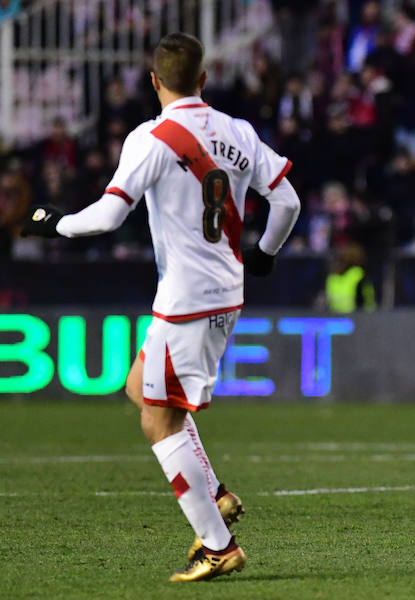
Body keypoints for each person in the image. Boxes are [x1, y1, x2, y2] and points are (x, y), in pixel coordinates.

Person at [22, 32, 301, 581]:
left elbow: (105, 218)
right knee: (138, 386)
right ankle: (214, 492)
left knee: (158, 422)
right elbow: (287, 200)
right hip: (223, 291)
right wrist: (265, 254)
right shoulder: (239, 131)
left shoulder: (150, 138)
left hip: (187, 301)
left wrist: (55, 222)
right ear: (203, 79)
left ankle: (219, 547)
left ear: (154, 81)